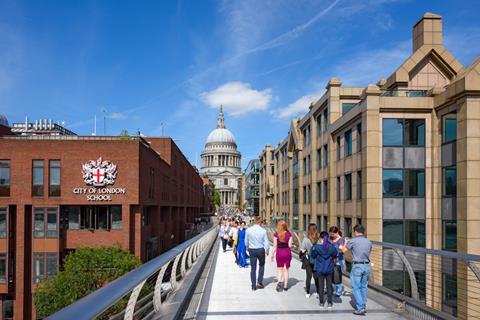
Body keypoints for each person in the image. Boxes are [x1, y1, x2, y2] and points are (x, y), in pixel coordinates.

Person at [339, 224, 372, 316]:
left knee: (356, 287)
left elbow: (343, 250)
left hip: (357, 266)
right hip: (366, 265)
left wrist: (345, 242)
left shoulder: (353, 241)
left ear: (355, 232)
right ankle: (363, 304)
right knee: (364, 286)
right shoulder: (368, 241)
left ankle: (360, 308)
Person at [311, 231, 337, 309]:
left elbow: (313, 255)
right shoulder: (331, 247)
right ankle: (329, 303)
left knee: (321, 286)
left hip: (320, 268)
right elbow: (335, 254)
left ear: (320, 238)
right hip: (329, 268)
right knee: (329, 286)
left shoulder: (317, 247)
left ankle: (321, 302)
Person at [245, 216, 270, 291]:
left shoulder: (248, 230)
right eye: (262, 222)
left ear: (255, 221)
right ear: (259, 222)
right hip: (260, 250)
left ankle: (253, 285)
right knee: (261, 266)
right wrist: (267, 251)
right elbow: (266, 242)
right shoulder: (263, 231)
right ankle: (259, 282)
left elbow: (246, 240)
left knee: (253, 268)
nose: (262, 223)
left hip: (252, 250)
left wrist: (247, 247)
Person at [271, 220, 293, 292]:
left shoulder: (276, 234)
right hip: (287, 252)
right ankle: (285, 286)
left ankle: (279, 282)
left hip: (279, 252)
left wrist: (272, 254)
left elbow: (275, 246)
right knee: (286, 269)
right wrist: (293, 246)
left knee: (280, 269)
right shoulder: (289, 234)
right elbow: (290, 245)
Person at [300, 223, 320, 298]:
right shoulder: (318, 239)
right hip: (316, 260)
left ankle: (308, 293)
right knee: (316, 276)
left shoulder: (305, 239)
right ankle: (318, 291)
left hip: (308, 260)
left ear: (308, 230)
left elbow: (302, 250)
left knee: (308, 276)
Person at [329, 226, 346, 297]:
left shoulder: (341, 240)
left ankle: (338, 291)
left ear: (337, 233)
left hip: (339, 260)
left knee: (338, 276)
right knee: (331, 275)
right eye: (331, 234)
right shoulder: (330, 239)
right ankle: (332, 289)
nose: (331, 235)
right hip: (330, 259)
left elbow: (342, 250)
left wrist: (340, 247)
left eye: (333, 234)